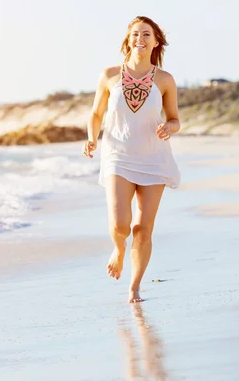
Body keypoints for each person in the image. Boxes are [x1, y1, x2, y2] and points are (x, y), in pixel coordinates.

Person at [83, 16, 181, 303]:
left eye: (146, 34)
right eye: (135, 34)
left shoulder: (164, 80)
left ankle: (134, 286)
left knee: (143, 229)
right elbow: (95, 114)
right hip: (117, 155)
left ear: (156, 41)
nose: (140, 38)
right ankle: (118, 248)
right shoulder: (109, 75)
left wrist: (169, 127)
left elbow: (175, 119)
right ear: (127, 40)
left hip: (153, 158)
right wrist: (91, 137)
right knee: (121, 225)